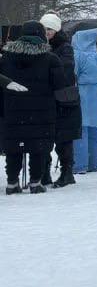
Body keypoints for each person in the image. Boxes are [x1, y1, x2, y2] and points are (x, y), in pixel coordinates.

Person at [0, 21, 61, 194]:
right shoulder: (50, 58)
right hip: (42, 110)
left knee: (13, 147)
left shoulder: (6, 57)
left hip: (12, 109)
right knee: (38, 147)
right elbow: (59, 84)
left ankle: (12, 183)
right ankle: (36, 182)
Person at [41, 14, 82, 188]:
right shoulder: (43, 46)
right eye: (44, 29)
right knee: (45, 138)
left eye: (49, 29)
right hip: (49, 99)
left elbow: (65, 71)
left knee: (64, 138)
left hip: (64, 100)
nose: (47, 32)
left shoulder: (65, 47)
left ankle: (67, 173)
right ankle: (44, 173)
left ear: (56, 29)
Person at [71, 27, 97, 174]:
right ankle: (95, 164)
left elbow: (72, 74)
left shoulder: (78, 56)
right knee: (95, 131)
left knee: (81, 130)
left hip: (85, 94)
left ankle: (80, 165)